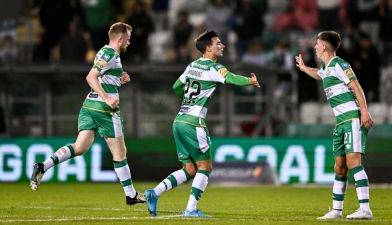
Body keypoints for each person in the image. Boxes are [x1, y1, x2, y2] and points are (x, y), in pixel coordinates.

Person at [144, 31, 260, 217]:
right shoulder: (213, 68)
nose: (222, 46)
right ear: (208, 47)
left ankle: (154, 193)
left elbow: (176, 87)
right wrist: (250, 81)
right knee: (205, 167)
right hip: (194, 123)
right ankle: (190, 209)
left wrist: (188, 101)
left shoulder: (192, 66)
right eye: (218, 43)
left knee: (189, 169)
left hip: (179, 121)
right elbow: (230, 78)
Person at [30, 22, 146, 205]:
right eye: (128, 40)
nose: (129, 43)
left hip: (89, 106)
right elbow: (90, 77)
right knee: (120, 153)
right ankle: (131, 195)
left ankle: (43, 166)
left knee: (80, 147)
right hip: (104, 109)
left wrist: (118, 80)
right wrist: (108, 98)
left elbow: (101, 77)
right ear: (120, 38)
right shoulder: (110, 53)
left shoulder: (103, 51)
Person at [295, 31, 373, 220]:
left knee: (354, 162)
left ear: (323, 45)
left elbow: (356, 86)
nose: (315, 46)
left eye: (317, 43)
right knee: (340, 167)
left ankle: (365, 208)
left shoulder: (340, 64)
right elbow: (319, 75)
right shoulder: (328, 67)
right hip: (340, 123)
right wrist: (305, 68)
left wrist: (364, 111)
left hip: (351, 119)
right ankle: (336, 211)